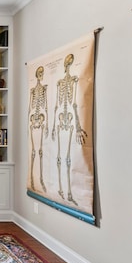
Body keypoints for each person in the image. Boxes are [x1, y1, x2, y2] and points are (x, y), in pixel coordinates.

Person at [51, 53, 87, 204]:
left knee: (67, 156)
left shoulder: (74, 80)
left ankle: (69, 192)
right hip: (61, 120)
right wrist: (53, 127)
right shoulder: (60, 83)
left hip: (70, 120)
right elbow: (56, 106)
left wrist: (78, 126)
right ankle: (62, 189)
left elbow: (74, 104)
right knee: (61, 155)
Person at [28, 66, 48, 192]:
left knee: (38, 150)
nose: (41, 76)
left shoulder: (44, 89)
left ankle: (39, 179)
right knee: (35, 150)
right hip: (34, 121)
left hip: (41, 120)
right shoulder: (33, 91)